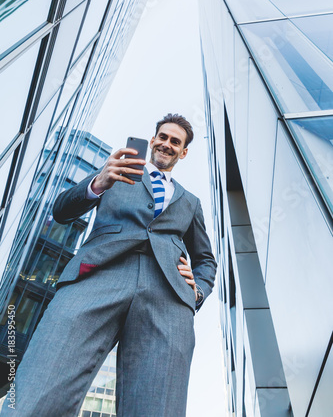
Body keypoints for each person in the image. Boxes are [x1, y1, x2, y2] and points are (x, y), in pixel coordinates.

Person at [1, 113, 217, 417]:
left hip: (168, 294)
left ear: (183, 152)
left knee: (158, 405)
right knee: (39, 387)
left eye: (175, 142)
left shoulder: (191, 202)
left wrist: (197, 290)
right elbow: (62, 211)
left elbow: (206, 259)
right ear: (153, 139)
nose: (167, 144)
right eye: (163, 137)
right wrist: (99, 182)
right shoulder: (117, 171)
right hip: (97, 275)